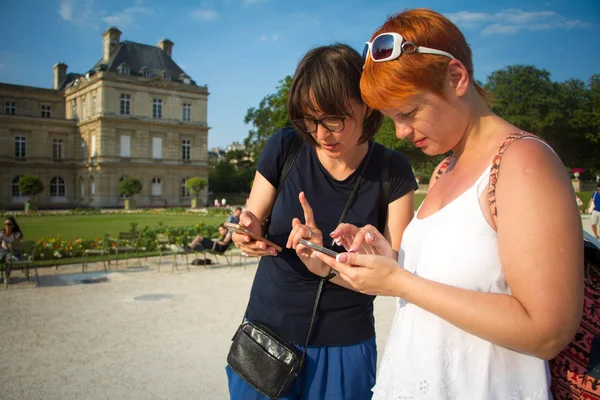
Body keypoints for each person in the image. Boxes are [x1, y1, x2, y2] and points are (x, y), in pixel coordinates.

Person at [313, 9, 583, 399]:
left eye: (408, 112)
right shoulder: (444, 168)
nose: (402, 132)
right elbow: (445, 281)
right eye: (392, 119)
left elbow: (547, 330)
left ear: (456, 78)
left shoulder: (522, 162)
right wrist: (391, 260)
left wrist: (401, 281)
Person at [228, 43, 417, 399]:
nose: (320, 134)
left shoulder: (393, 171)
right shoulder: (286, 146)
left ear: (366, 104)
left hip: (344, 346)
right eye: (309, 120)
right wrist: (248, 233)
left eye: (332, 119)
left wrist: (325, 266)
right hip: (265, 335)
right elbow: (254, 218)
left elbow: (394, 278)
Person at [0, 216, 24, 282]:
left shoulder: (16, 234)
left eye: (9, 224)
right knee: (8, 256)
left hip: (14, 251)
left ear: (13, 225)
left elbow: (17, 246)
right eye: (5, 224)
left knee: (10, 257)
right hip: (3, 251)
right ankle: (6, 276)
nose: (7, 226)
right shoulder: (1, 234)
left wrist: (8, 246)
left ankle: (6, 276)